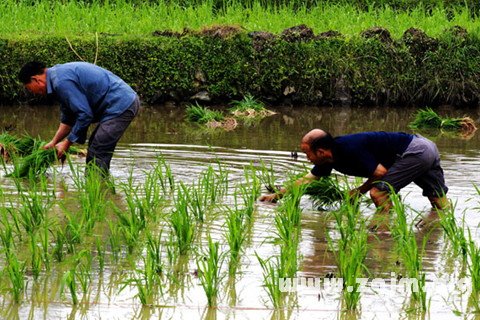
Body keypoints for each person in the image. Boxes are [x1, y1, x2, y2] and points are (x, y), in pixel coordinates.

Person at [259, 129, 449, 231]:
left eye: (306, 153)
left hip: (416, 151)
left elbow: (380, 173)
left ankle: (382, 234)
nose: (306, 157)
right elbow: (306, 180)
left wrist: (358, 191)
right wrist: (277, 195)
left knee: (378, 192)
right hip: (427, 147)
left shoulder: (350, 148)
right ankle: (441, 233)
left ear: (320, 151)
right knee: (439, 203)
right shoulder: (328, 159)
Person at [18, 61, 140, 175]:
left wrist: (66, 143)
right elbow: (68, 119)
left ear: (36, 79)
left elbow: (85, 114)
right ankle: (98, 186)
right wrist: (54, 142)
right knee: (95, 147)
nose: (32, 92)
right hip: (115, 104)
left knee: (98, 149)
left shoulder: (61, 82)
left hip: (121, 103)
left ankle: (99, 188)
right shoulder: (57, 79)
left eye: (29, 88)